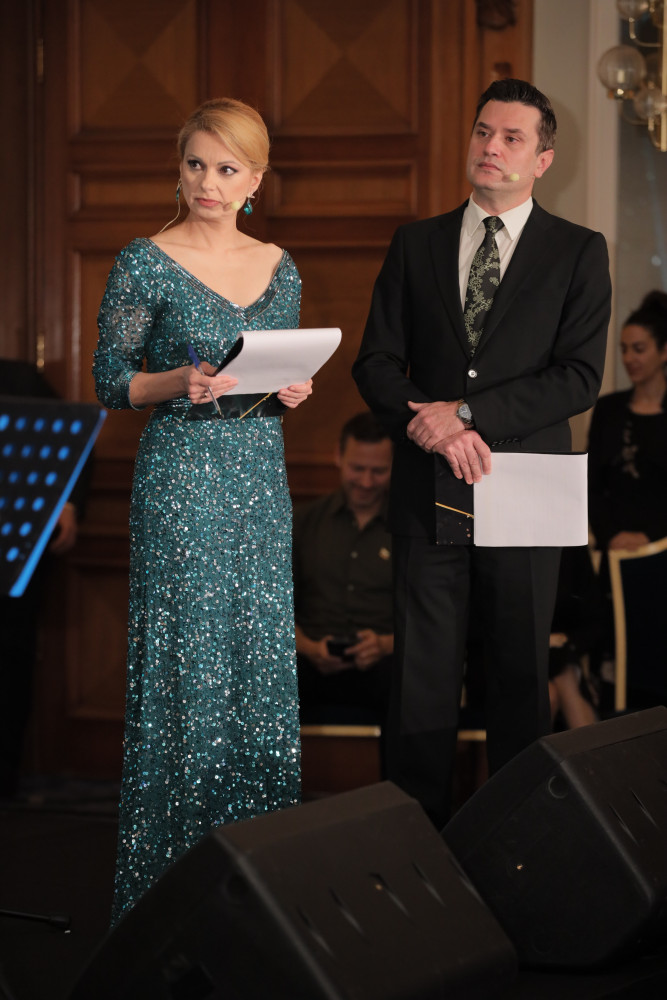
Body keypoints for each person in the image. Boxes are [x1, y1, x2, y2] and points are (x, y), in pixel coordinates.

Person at [352, 78, 611, 829]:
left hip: (525, 489)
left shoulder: (578, 251)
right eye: (482, 132)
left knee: (518, 679)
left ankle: (518, 848)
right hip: (427, 485)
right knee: (420, 683)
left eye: (511, 138)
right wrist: (436, 427)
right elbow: (375, 363)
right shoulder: (416, 243)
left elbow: (578, 378)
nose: (491, 147)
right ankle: (412, 848)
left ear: (543, 159)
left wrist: (466, 414)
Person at [93, 97, 313, 922]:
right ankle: (168, 894)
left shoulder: (281, 266)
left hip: (258, 479)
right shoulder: (144, 261)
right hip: (180, 479)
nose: (208, 183)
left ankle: (259, 892)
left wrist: (291, 390)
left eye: (226, 169)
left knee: (257, 667)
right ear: (179, 168)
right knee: (187, 669)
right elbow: (110, 379)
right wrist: (174, 382)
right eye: (195, 164)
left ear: (256, 179)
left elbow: (270, 372)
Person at [0, 360, 87, 799]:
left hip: (14, 545)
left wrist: (66, 504)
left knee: (11, 656)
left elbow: (72, 438)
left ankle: (5, 777)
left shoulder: (19, 380)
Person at [293, 412, 393, 731]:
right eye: (357, 468)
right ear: (338, 456)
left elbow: (428, 617)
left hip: (385, 665)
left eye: (378, 471)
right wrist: (310, 648)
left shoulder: (410, 532)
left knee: (412, 684)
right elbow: (272, 609)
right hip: (308, 660)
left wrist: (385, 645)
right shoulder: (304, 522)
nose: (366, 482)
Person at [588, 291, 667, 558]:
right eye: (624, 349)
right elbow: (592, 484)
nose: (629, 358)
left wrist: (649, 537)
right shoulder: (608, 409)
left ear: (664, 351)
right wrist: (610, 535)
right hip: (614, 551)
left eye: (639, 349)